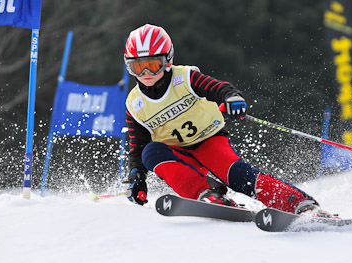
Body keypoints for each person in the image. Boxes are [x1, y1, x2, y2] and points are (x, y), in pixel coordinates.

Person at [124, 24, 325, 215]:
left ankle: (299, 203)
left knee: (237, 175)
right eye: (138, 67)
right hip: (178, 154)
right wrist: (137, 176)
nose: (146, 73)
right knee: (150, 152)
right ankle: (206, 194)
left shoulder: (185, 78)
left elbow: (217, 88)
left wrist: (231, 98)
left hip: (209, 142)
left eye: (153, 65)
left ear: (167, 61)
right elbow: (137, 146)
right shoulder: (134, 103)